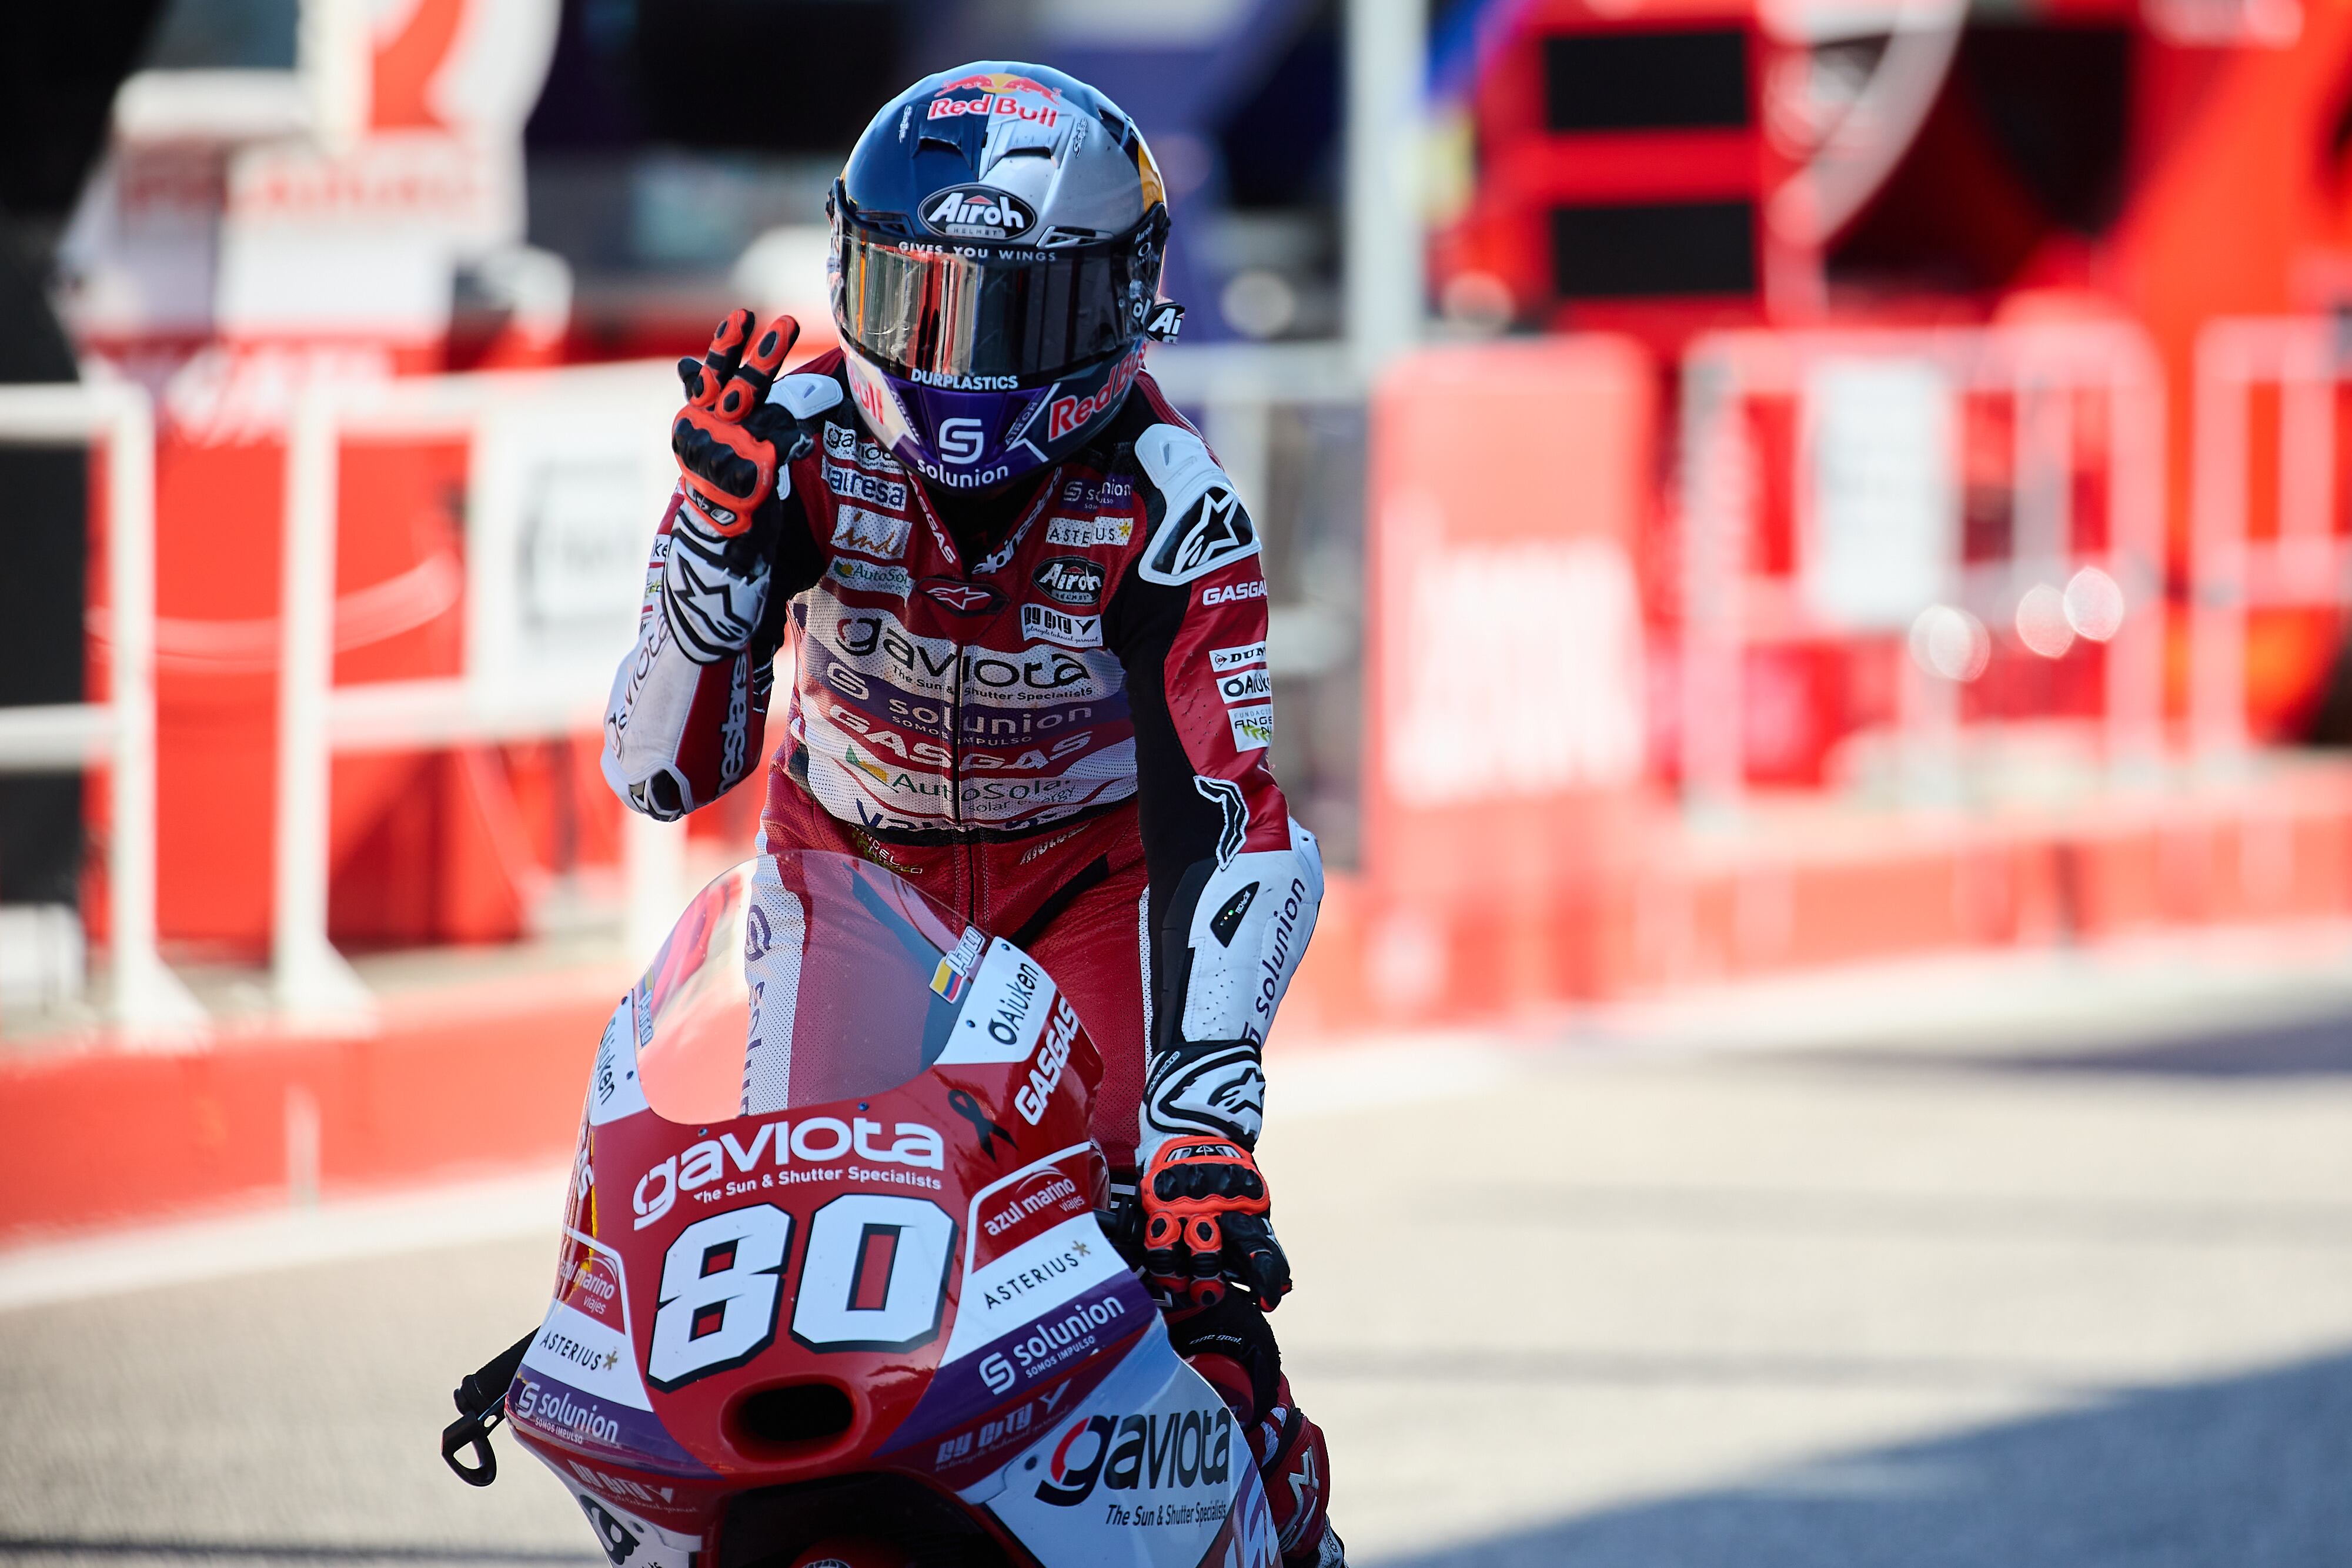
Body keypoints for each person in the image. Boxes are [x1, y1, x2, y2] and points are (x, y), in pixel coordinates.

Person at [600, 61, 1341, 1567]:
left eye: (1008, 313)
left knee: (1176, 1275)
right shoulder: (791, 436)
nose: (956, 361)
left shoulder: (1168, 495)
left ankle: (1272, 1519)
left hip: (1090, 894)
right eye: (917, 298)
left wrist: (1207, 1125)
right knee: (783, 1307)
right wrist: (707, 560)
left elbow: (1234, 818)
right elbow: (662, 769)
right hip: (851, 887)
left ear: (1120, 304)